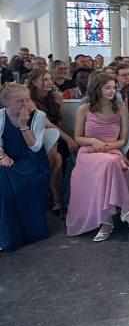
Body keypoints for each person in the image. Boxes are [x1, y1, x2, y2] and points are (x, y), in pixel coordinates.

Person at [66, 72, 129, 241]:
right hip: (88, 153)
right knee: (111, 163)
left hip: (112, 150)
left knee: (111, 161)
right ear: (97, 89)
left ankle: (107, 221)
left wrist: (105, 147)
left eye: (114, 88)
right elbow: (78, 138)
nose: (112, 91)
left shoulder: (121, 109)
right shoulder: (84, 109)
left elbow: (122, 140)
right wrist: (93, 141)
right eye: (107, 88)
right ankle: (126, 211)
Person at [0, 84, 51, 252]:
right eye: (19, 101)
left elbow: (35, 147)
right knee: (4, 172)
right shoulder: (1, 116)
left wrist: (23, 126)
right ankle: (9, 233)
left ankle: (18, 235)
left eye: (26, 100)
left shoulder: (38, 116)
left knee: (6, 175)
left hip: (32, 161)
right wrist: (2, 157)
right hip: (8, 158)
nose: (24, 104)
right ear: (7, 102)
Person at [27, 69, 77, 216]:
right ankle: (56, 199)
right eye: (45, 79)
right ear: (34, 82)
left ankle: (66, 195)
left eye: (50, 79)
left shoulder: (54, 97)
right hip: (36, 137)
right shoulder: (29, 99)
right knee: (56, 157)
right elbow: (47, 124)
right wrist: (68, 138)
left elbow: (57, 122)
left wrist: (66, 139)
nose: (50, 82)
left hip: (54, 136)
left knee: (68, 153)